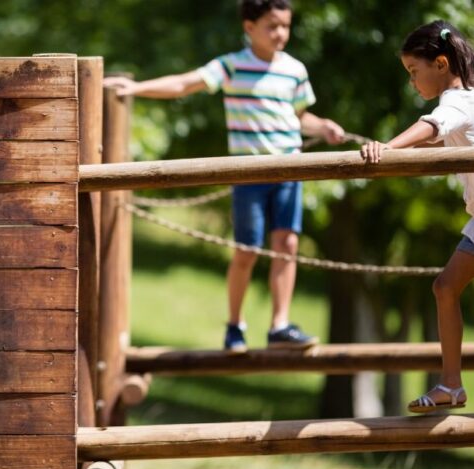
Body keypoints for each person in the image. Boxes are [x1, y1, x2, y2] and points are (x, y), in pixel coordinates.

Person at [104, 0, 345, 352]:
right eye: (272, 25)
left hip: (291, 169)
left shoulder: (295, 69)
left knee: (287, 245)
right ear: (249, 27)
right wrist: (137, 89)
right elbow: (186, 84)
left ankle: (280, 325)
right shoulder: (232, 66)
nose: (280, 33)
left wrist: (322, 127)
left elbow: (298, 115)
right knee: (246, 250)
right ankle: (235, 325)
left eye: (285, 26)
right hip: (248, 172)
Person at [361, 20, 473, 413]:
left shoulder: (457, 102)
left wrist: (386, 147)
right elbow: (433, 144)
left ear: (440, 64)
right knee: (445, 288)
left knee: (445, 288)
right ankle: (451, 386)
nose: (412, 83)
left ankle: (450, 384)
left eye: (414, 71)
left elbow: (430, 127)